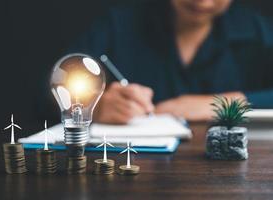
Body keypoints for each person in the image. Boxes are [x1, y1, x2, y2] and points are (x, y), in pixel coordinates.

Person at [69, 0, 273, 124]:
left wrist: (220, 104)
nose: (203, 1)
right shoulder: (117, 26)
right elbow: (53, 91)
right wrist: (93, 107)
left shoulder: (258, 32)